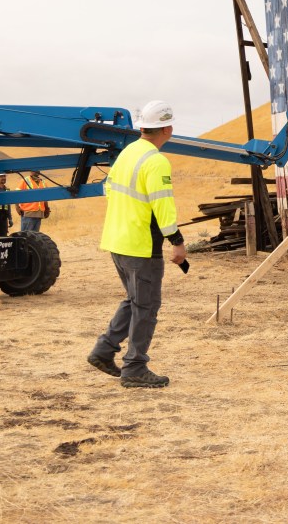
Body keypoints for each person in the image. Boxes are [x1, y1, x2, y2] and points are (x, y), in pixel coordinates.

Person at [88, 100, 187, 389]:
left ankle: (104, 350)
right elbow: (163, 205)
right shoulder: (155, 160)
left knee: (134, 300)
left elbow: (109, 190)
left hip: (117, 240)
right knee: (146, 305)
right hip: (141, 245)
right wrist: (177, 242)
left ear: (142, 127)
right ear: (167, 128)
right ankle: (135, 367)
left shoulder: (128, 153)